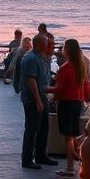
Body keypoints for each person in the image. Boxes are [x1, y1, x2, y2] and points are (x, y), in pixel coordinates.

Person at [48, 39, 90, 177]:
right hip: (77, 103)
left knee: (67, 137)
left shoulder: (65, 68)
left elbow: (59, 88)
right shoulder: (80, 66)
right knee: (72, 134)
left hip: (66, 104)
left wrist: (43, 89)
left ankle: (69, 167)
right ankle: (76, 158)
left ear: (66, 50)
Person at [18, 34, 58, 169]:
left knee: (43, 128)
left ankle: (41, 155)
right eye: (46, 43)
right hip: (33, 99)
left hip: (41, 97)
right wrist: (38, 100)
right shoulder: (31, 59)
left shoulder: (40, 58)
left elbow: (42, 80)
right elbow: (31, 80)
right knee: (32, 129)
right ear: (39, 44)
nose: (48, 45)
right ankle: (27, 159)